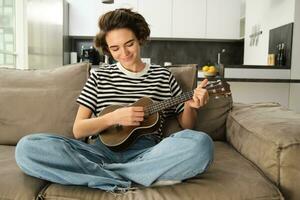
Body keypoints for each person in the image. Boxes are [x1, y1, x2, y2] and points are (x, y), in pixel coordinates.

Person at [15, 8, 214, 192]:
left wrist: (190, 105)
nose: (124, 53)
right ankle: (133, 177)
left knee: (201, 145)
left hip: (147, 154)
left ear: (140, 38)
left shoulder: (163, 76)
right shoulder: (99, 77)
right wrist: (113, 118)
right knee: (26, 148)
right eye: (115, 48)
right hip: (98, 155)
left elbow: (188, 125)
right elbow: (78, 130)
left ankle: (106, 177)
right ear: (108, 50)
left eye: (129, 44)